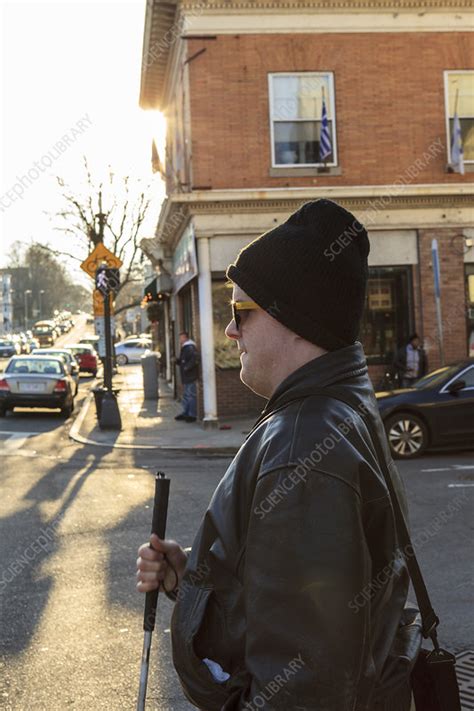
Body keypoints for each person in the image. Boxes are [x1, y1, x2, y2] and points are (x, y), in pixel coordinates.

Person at [137, 200, 421, 710]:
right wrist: (195, 581)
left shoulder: (303, 444)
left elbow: (301, 689)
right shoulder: (335, 407)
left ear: (296, 317)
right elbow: (292, 611)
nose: (229, 330)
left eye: (241, 311)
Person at [174, 331, 199, 423]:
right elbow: (184, 360)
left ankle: (192, 415)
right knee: (186, 395)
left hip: (190, 376)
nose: (180, 340)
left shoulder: (190, 347)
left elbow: (194, 359)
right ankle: (186, 413)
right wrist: (178, 361)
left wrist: (186, 367)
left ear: (185, 337)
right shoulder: (185, 347)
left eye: (181, 338)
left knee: (190, 395)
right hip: (186, 376)